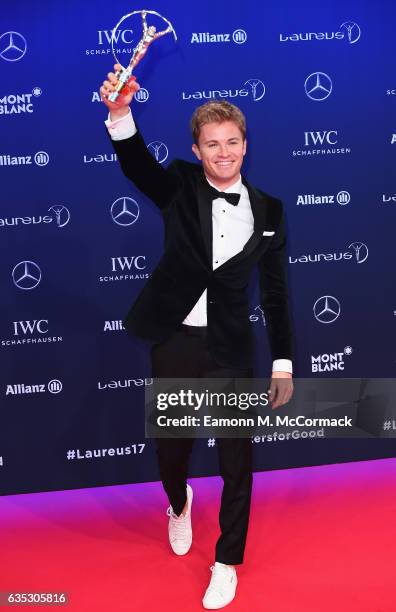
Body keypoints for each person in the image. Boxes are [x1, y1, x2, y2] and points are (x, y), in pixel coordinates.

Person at [100, 65, 294, 610]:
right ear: (198, 148)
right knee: (173, 450)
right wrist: (120, 112)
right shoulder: (180, 186)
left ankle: (227, 560)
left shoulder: (271, 211)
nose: (224, 151)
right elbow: (137, 165)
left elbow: (276, 294)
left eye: (232, 141)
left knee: (238, 457)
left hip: (232, 346)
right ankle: (177, 503)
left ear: (245, 145)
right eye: (213, 143)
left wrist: (282, 361)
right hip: (176, 339)